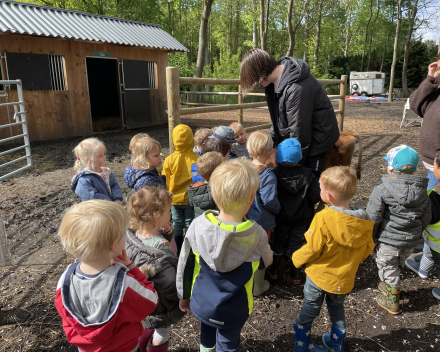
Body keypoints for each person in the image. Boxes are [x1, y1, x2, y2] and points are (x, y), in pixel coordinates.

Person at [176, 160, 273, 352]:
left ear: (214, 194)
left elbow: (184, 264)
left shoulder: (197, 225)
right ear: (252, 198)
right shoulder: (257, 234)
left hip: (202, 302)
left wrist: (183, 295)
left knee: (207, 336)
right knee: (228, 342)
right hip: (235, 307)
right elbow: (265, 262)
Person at [55, 200, 158, 352]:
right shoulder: (123, 284)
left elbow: (65, 313)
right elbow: (151, 300)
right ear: (114, 244)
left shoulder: (65, 281)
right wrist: (132, 268)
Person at [292, 166, 374, 352]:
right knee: (337, 310)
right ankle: (336, 343)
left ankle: (302, 343)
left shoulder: (323, 218)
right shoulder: (364, 220)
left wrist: (296, 259)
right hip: (343, 279)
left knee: (311, 307)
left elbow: (313, 248)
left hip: (318, 277)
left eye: (320, 188)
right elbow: (368, 247)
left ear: (328, 196)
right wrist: (353, 260)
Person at [239, 49, 339, 177]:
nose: (255, 85)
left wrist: (293, 170)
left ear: (261, 73)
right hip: (302, 133)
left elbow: (300, 133)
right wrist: (265, 141)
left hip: (318, 138)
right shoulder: (273, 84)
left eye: (254, 80)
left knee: (306, 178)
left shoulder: (296, 89)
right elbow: (280, 120)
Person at [366, 145, 431, 315]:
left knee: (387, 265)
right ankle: (391, 284)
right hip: (411, 239)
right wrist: (417, 232)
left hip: (389, 240)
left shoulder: (381, 190)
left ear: (390, 167)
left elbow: (374, 217)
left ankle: (393, 298)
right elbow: (426, 216)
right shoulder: (423, 192)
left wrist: (371, 236)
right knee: (399, 261)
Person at [125, 187, 185, 352]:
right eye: (168, 211)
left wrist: (166, 235)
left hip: (141, 296)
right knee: (162, 331)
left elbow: (148, 250)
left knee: (146, 325)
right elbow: (168, 278)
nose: (170, 213)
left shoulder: (134, 235)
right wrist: (184, 296)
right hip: (160, 303)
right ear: (158, 216)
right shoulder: (161, 246)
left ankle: (142, 347)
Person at [267, 138, 321, 284]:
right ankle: (295, 273)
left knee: (278, 241)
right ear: (301, 156)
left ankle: (274, 270)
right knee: (296, 243)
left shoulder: (273, 174)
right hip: (301, 218)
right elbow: (315, 197)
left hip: (281, 218)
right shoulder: (309, 175)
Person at [246, 130, 281, 296]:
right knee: (260, 252)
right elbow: (269, 201)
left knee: (247, 250)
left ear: (249, 151)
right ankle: (258, 286)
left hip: (245, 218)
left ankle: (247, 282)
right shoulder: (268, 176)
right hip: (263, 221)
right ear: (269, 151)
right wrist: (279, 209)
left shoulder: (244, 170)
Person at [405, 151, 440, 300]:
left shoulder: (431, 198)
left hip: (437, 245)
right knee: (430, 253)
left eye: (435, 164)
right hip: (434, 246)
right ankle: (423, 270)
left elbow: (422, 220)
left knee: (433, 254)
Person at [162, 124, 199, 255]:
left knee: (177, 224)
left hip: (174, 199)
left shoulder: (169, 160)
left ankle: (178, 250)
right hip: (190, 198)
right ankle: (188, 250)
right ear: (191, 139)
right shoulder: (196, 158)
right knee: (189, 222)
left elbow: (165, 180)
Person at [409, 54, 440, 191]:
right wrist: (430, 79)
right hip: (432, 165)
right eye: (439, 68)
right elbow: (415, 105)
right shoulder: (437, 93)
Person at [70, 138, 123, 204]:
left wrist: (117, 199)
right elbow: (93, 197)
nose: (104, 157)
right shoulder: (83, 179)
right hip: (97, 210)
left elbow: (115, 186)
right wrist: (110, 204)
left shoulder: (106, 171)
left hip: (111, 206)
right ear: (88, 159)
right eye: (100, 155)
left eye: (103, 154)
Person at [188, 152, 223, 218]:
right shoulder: (221, 189)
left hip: (201, 225)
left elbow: (190, 204)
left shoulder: (195, 189)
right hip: (218, 225)